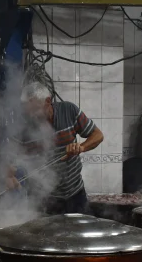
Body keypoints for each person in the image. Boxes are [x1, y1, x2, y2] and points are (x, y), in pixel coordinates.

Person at [8, 83, 104, 215]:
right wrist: (8, 175)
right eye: (28, 112)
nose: (32, 116)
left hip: (75, 195)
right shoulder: (23, 125)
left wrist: (81, 147)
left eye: (35, 110)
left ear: (48, 101)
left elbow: (98, 135)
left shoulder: (69, 111)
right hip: (42, 199)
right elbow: (9, 156)